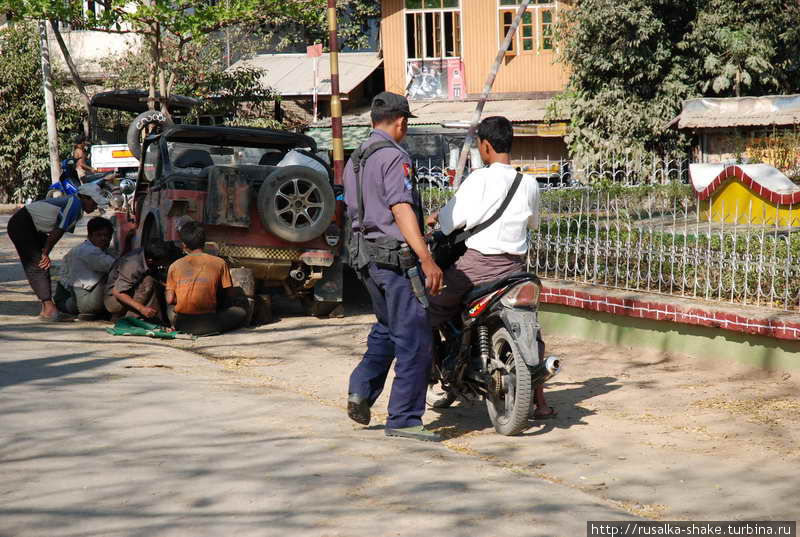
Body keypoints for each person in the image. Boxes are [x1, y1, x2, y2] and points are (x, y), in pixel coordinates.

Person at [426, 116, 556, 420]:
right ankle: (541, 403)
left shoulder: (479, 179)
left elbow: (448, 221)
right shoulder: (529, 183)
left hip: (478, 268)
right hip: (516, 270)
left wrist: (435, 220)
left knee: (424, 311)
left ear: (485, 146)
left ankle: (429, 381)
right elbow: (532, 223)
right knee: (532, 328)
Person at [344, 91, 444, 442]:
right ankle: (403, 419)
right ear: (401, 122)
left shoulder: (355, 158)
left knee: (387, 327)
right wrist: (427, 258)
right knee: (415, 339)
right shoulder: (393, 157)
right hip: (394, 259)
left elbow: (364, 210)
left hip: (365, 258)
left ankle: (361, 389)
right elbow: (400, 208)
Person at [7, 183, 107, 321]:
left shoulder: (76, 206)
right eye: (95, 202)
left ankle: (46, 308)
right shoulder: (75, 204)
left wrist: (45, 251)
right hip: (23, 224)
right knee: (38, 265)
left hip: (33, 227)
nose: (96, 206)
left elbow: (56, 230)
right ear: (85, 198)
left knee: (42, 264)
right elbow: (59, 229)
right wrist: (45, 252)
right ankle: (49, 309)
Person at [165, 221, 247, 336]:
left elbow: (169, 300)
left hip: (182, 324)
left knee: (170, 305)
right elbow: (230, 295)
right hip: (210, 324)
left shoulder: (174, 266)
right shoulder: (220, 263)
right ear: (204, 243)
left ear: (184, 245)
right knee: (241, 312)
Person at [54, 216, 116, 319]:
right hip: (81, 303)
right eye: (99, 235)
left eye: (107, 235)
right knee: (115, 273)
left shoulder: (84, 248)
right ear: (90, 236)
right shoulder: (90, 251)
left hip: (67, 300)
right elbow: (117, 265)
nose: (103, 239)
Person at [104, 238, 171, 322]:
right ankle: (130, 319)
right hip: (113, 301)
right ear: (150, 261)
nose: (165, 263)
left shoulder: (147, 254)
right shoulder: (133, 264)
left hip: (128, 291)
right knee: (149, 281)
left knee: (156, 283)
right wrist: (142, 309)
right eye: (163, 261)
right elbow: (118, 292)